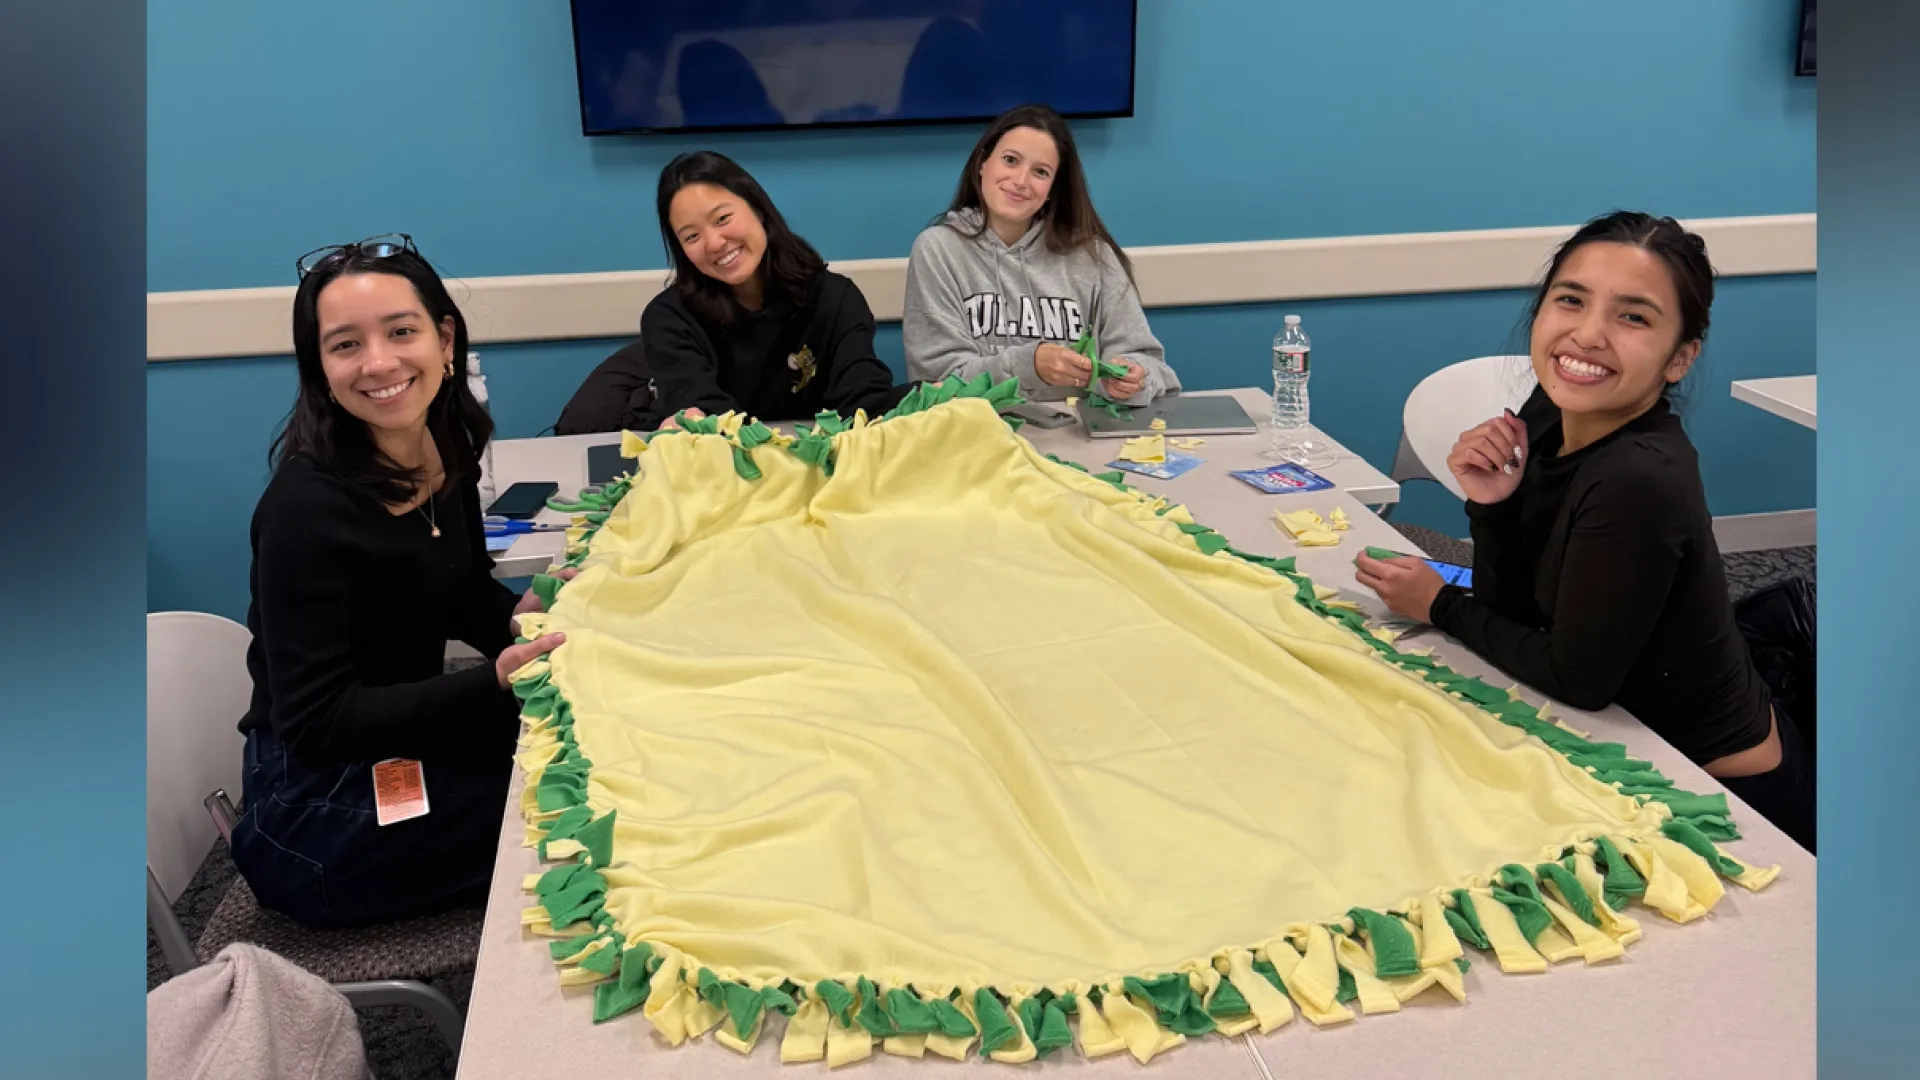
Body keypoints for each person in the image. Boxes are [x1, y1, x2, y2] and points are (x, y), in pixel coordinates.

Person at [1354, 211, 1815, 853]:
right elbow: (1515, 612)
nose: (1588, 335)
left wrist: (1439, 605)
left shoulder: (1638, 477)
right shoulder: (1553, 408)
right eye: (1571, 300)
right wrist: (1491, 508)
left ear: (1680, 357)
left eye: (1634, 317)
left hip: (1723, 800)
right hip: (1623, 738)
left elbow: (1578, 680)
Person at [230, 234, 569, 927]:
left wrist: (520, 615)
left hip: (400, 741)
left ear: (445, 340)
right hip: (316, 808)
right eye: (346, 344)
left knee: (594, 751)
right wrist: (494, 680)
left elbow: (461, 590)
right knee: (584, 804)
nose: (379, 362)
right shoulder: (304, 510)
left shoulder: (446, 445)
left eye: (401, 331)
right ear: (320, 367)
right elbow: (319, 722)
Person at [903, 103, 1179, 405]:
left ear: (1052, 189)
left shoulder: (1094, 255)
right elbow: (937, 384)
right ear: (982, 163)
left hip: (1081, 428)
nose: (1021, 181)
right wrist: (1029, 366)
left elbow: (1155, 370)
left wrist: (1134, 378)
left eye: (1040, 172)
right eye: (1010, 160)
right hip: (980, 430)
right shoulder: (938, 249)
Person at [629, 150, 913, 430]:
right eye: (692, 236)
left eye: (722, 219)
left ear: (758, 210)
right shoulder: (669, 318)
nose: (714, 243)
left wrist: (929, 397)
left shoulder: (835, 299)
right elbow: (705, 421)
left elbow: (864, 406)